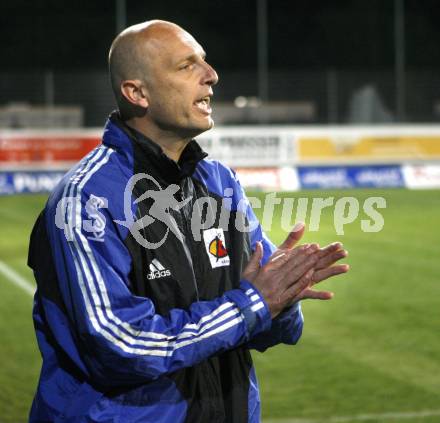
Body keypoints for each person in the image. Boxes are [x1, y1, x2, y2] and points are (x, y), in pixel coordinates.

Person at [28, 20, 349, 422]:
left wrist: (284, 298)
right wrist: (253, 304)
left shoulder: (221, 183)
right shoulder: (87, 200)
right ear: (137, 93)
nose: (211, 76)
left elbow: (271, 325)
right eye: (187, 66)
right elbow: (120, 346)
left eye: (206, 63)